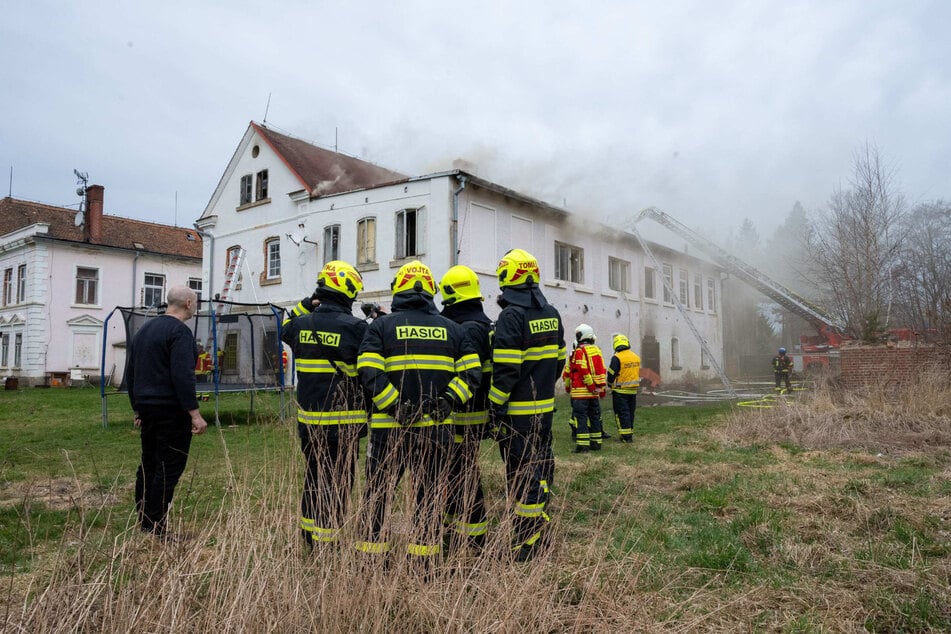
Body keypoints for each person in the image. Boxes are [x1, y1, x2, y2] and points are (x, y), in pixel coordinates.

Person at [355, 260, 481, 570]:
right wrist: (449, 400)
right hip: (436, 431)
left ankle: (372, 563)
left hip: (389, 430)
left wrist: (394, 405)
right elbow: (471, 374)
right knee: (430, 496)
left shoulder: (381, 327)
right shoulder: (455, 330)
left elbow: (368, 370)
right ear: (431, 292)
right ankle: (423, 565)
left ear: (398, 289)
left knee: (377, 494)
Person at [281, 261, 368, 548]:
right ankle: (327, 541)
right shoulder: (357, 328)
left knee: (314, 475)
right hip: (343, 423)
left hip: (309, 422)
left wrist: (306, 303)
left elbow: (284, 325)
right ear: (348, 291)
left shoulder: (300, 324)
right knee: (340, 481)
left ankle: (309, 533)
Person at [488, 248, 566, 562]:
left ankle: (528, 541)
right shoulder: (551, 313)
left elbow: (506, 370)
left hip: (517, 414)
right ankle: (538, 524)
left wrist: (495, 405)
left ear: (509, 275)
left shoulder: (511, 316)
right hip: (544, 409)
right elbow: (560, 359)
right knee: (542, 465)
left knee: (521, 474)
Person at [126, 285, 208, 538]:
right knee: (168, 467)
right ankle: (157, 528)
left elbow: (132, 372)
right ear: (187, 303)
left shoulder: (144, 330)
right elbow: (182, 376)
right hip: (171, 411)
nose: (196, 306)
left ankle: (145, 522)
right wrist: (194, 413)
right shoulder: (180, 333)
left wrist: (137, 408)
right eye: (195, 302)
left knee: (148, 464)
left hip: (148, 409)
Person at [438, 265, 493, 553]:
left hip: (462, 413)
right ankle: (452, 524)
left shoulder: (465, 328)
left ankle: (474, 536)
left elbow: (468, 374)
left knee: (463, 473)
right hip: (474, 412)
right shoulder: (482, 323)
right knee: (456, 471)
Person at [562, 324, 607, 453]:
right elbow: (602, 369)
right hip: (594, 394)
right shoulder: (597, 350)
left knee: (581, 419)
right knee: (594, 417)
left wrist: (591, 386)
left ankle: (583, 446)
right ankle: (596, 443)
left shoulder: (579, 352)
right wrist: (600, 389)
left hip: (581, 394)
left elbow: (582, 371)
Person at [606, 333, 641, 443]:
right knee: (630, 412)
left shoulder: (617, 358)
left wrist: (609, 384)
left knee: (621, 413)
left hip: (620, 391)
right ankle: (629, 433)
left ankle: (626, 437)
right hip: (633, 390)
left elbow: (611, 374)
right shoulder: (636, 357)